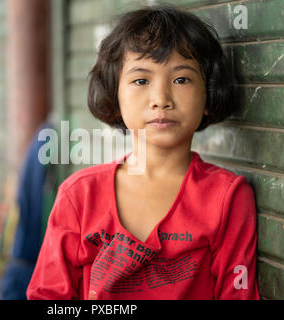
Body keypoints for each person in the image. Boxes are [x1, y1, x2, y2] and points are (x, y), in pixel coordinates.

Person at [27, 4, 260, 300]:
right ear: (115, 96)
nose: (161, 99)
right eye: (141, 80)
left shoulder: (227, 197)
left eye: (181, 79)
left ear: (209, 94)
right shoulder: (79, 196)